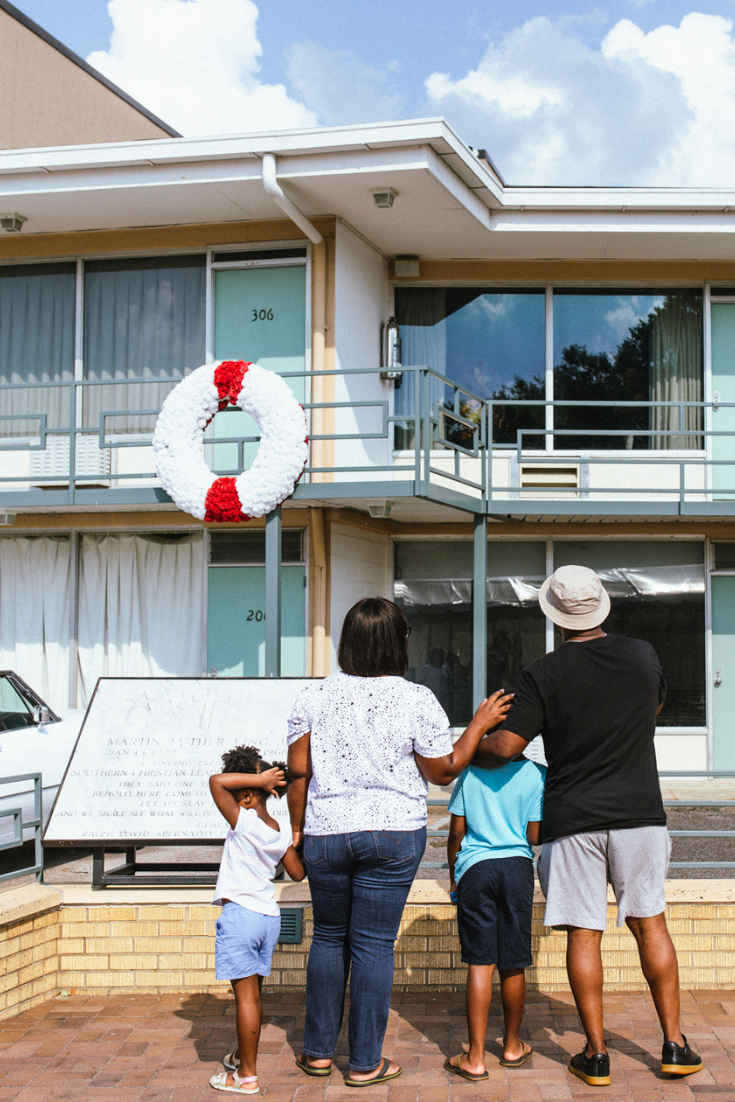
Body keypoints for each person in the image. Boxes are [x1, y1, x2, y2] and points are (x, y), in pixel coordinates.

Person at [472, 564, 702, 1088]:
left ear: (554, 618)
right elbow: (655, 704)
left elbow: (506, 749)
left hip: (572, 818)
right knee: (651, 924)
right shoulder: (643, 655)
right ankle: (672, 1045)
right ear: (602, 607)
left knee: (584, 934)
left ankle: (595, 1055)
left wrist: (475, 738)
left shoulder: (542, 673)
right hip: (640, 812)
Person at [287, 596, 512, 1087]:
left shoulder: (313, 696)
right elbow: (443, 771)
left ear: (347, 641)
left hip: (327, 828)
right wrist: (477, 725)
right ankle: (366, 1063)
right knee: (372, 944)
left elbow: (299, 771)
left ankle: (318, 1053)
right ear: (398, 644)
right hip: (393, 833)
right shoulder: (416, 698)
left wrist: (298, 832)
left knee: (328, 938)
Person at [208, 745, 305, 1096]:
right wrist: (295, 840)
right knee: (255, 998)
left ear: (248, 796)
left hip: (241, 917)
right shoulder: (278, 829)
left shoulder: (244, 819)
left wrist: (260, 778)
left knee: (245, 1001)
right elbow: (296, 873)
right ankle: (239, 1056)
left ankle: (246, 1076)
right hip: (268, 918)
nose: (231, 803)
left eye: (238, 797)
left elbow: (216, 782)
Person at [445, 755, 545, 1081]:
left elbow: (456, 833)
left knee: (480, 961)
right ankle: (513, 1046)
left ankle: (474, 1057)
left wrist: (453, 876)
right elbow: (534, 835)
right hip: (516, 868)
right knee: (513, 961)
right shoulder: (535, 774)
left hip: (476, 868)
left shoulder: (471, 773)